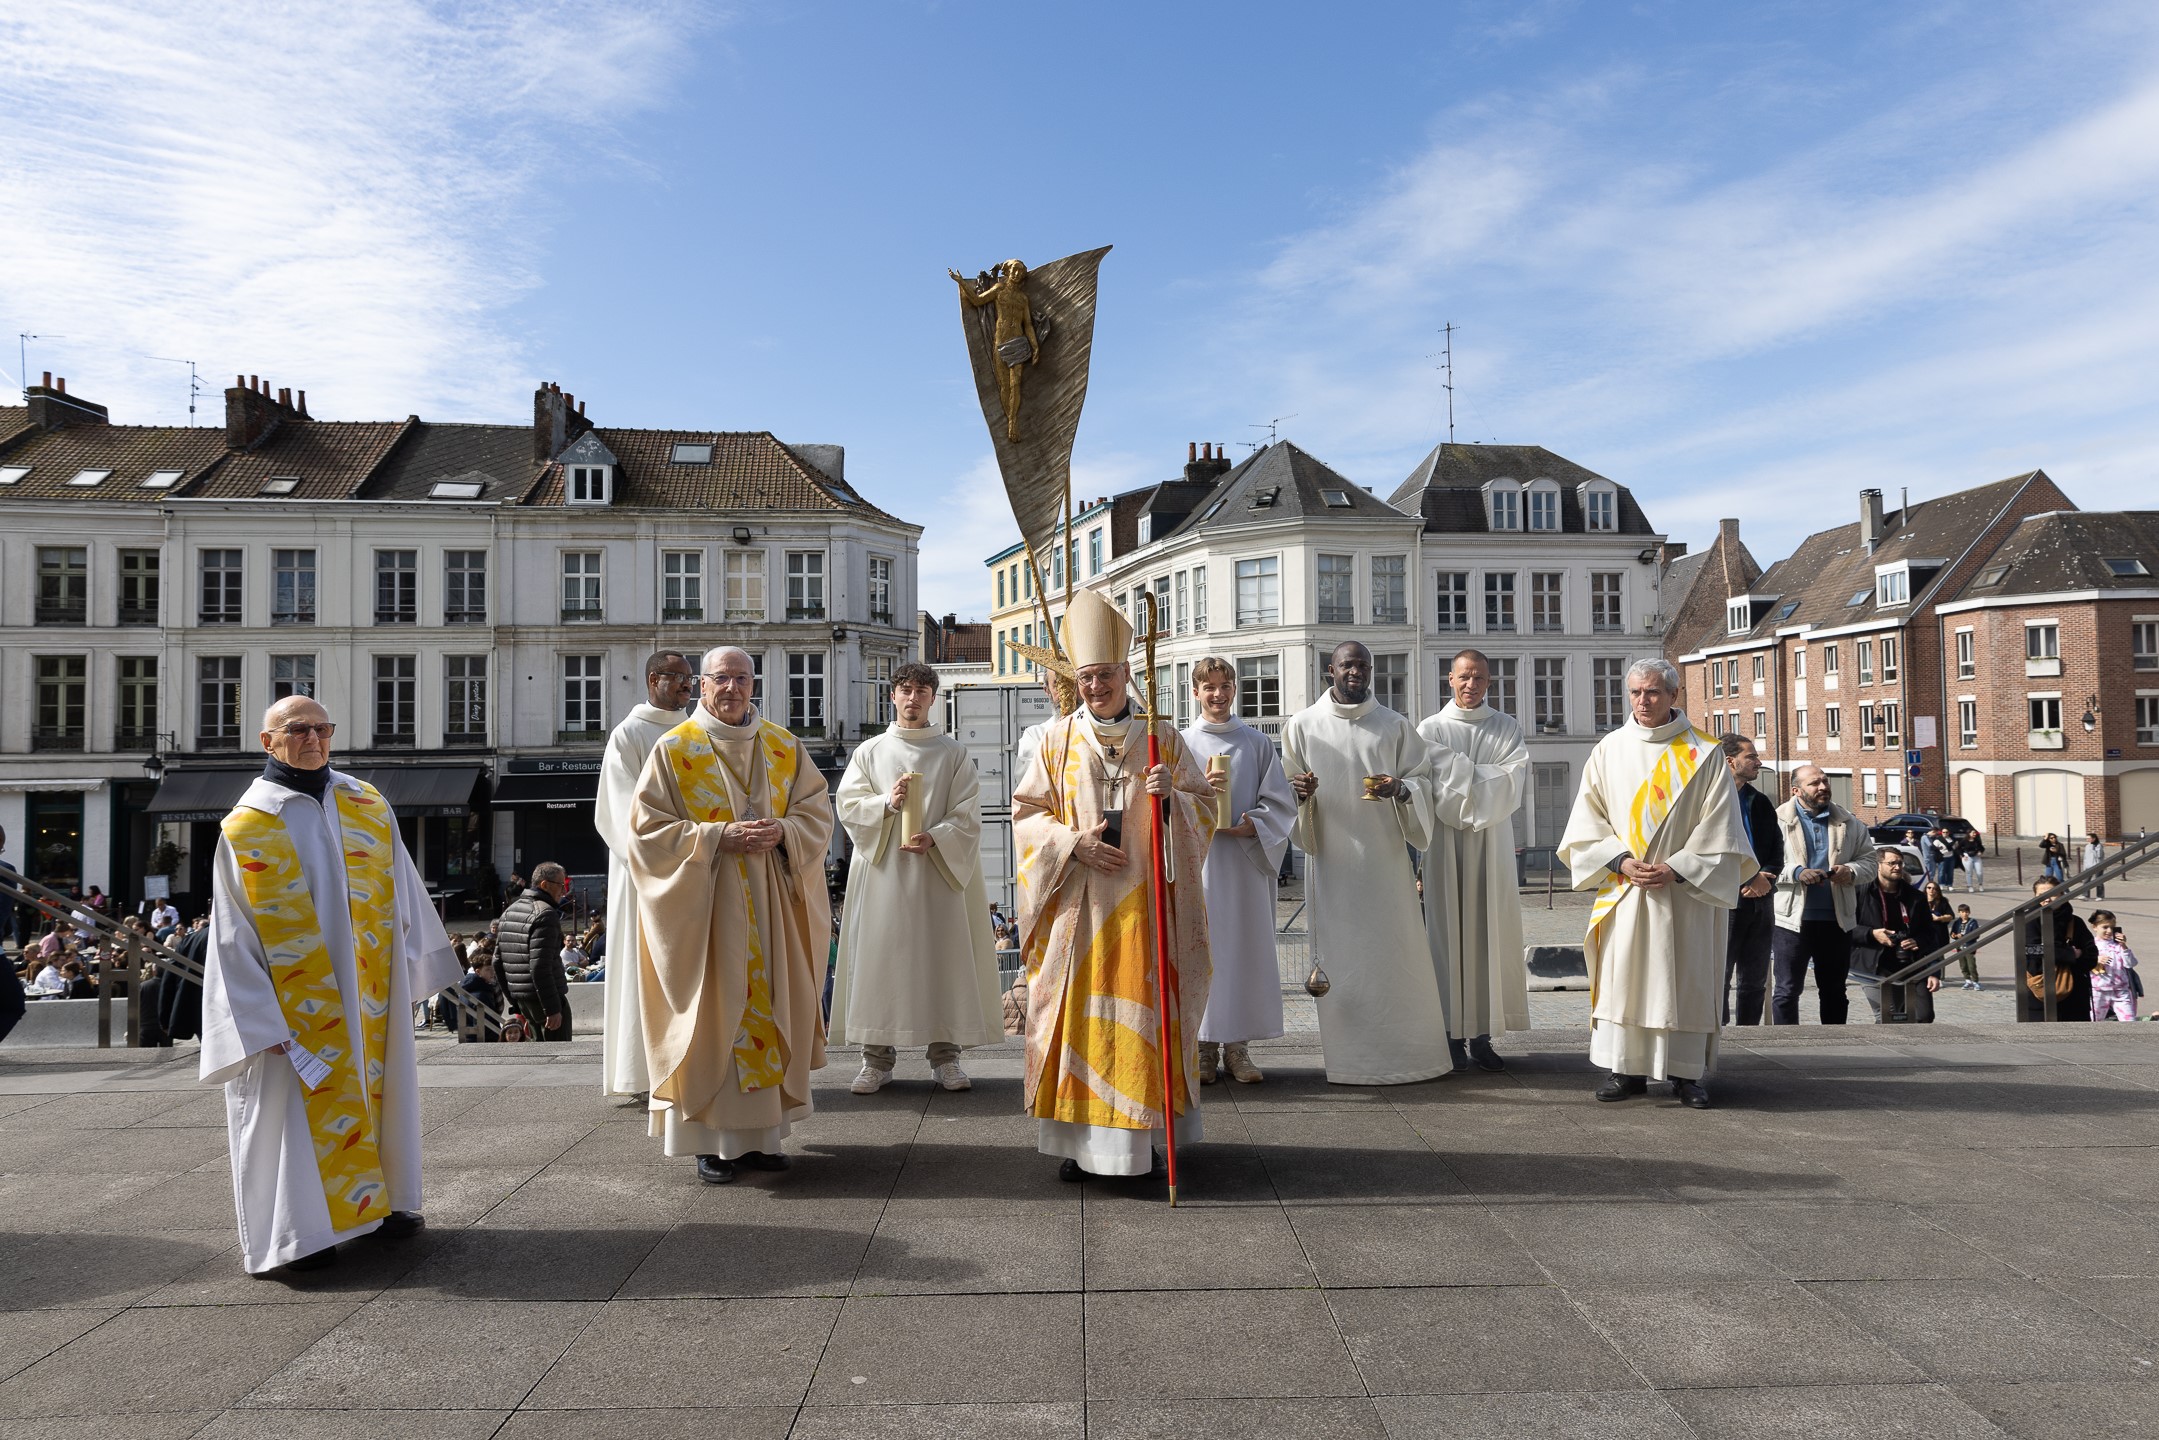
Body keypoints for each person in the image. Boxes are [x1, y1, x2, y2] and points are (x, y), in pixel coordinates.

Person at [198, 694, 458, 1274]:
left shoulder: (366, 803)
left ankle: (385, 1204)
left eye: (322, 728)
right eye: (298, 730)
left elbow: (404, 890)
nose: (313, 739)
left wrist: (413, 968)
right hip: (293, 1008)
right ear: (268, 742)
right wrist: (255, 1014)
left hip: (369, 993)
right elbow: (231, 930)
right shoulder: (249, 826)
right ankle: (301, 1236)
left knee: (380, 1095)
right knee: (289, 1113)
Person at [1012, 589, 1216, 1179]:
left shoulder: (1165, 739)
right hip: (1079, 909)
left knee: (1142, 1020)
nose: (1094, 687)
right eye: (1085, 677)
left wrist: (1172, 796)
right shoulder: (1054, 742)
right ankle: (1078, 1147)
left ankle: (1142, 1143)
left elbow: (1206, 810)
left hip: (1144, 908)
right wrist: (1071, 843)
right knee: (1079, 1020)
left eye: (1104, 675)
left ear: (1127, 673)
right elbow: (1027, 816)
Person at [626, 645, 833, 1185]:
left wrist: (783, 832)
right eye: (722, 678)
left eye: (742, 678)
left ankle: (761, 1138)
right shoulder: (675, 750)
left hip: (769, 907)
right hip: (709, 909)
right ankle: (710, 1143)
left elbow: (816, 811)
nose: (733, 688)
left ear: (753, 683)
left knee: (764, 1005)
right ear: (702, 685)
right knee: (717, 1012)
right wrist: (717, 837)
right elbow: (645, 832)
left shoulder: (784, 747)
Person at [1559, 658, 1750, 1109]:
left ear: (1674, 696)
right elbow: (1588, 820)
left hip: (1685, 892)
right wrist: (1621, 861)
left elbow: (1721, 825)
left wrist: (1679, 866)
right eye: (1636, 693)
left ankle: (1687, 1076)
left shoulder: (1703, 753)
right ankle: (1625, 1070)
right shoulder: (1609, 749)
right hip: (1626, 889)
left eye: (1653, 692)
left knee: (1686, 980)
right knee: (1626, 979)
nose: (1643, 701)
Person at [1284, 640, 1452, 1086]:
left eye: (1363, 665)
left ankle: (1410, 1057)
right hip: (1333, 863)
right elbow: (1282, 788)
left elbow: (1422, 782)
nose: (1355, 672)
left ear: (1371, 671)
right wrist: (1298, 792)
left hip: (1386, 864)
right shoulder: (1303, 726)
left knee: (1395, 957)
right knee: (1342, 965)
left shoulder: (1395, 726)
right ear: (1330, 671)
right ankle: (1348, 1062)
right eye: (1346, 665)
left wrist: (1401, 790)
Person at [830, 662, 1003, 1092]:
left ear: (932, 698)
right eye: (905, 690)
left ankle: (945, 1057)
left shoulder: (953, 753)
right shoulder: (869, 752)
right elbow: (848, 805)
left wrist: (938, 837)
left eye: (922, 691)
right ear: (893, 696)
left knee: (941, 958)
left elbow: (968, 812)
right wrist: (887, 804)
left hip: (936, 872)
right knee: (879, 959)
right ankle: (876, 1060)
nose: (913, 699)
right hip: (885, 870)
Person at [1414, 650, 1531, 1071]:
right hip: (1443, 844)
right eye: (1464, 677)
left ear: (1489, 682)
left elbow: (1512, 782)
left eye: (1479, 678)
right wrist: (1479, 777)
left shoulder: (1506, 728)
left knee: (1487, 935)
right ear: (1450, 679)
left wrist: (1457, 773)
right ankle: (1448, 1036)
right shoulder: (1429, 729)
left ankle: (1482, 1036)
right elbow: (1423, 785)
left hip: (1491, 842)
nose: (1471, 685)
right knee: (1445, 937)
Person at [1182, 655, 1296, 1085]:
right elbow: (1167, 802)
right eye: (1208, 687)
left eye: (1224, 686)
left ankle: (1239, 1049)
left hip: (1246, 864)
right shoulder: (1183, 742)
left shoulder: (1256, 743)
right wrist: (1199, 800)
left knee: (1243, 952)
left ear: (1234, 690)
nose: (1217, 694)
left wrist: (1253, 824)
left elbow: (1280, 803)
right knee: (1206, 951)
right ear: (1195, 692)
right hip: (1204, 865)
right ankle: (1204, 1049)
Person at [594, 651, 693, 1099]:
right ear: (654, 679)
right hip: (646, 872)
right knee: (644, 964)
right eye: (678, 678)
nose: (687, 686)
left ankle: (693, 1061)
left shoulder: (698, 731)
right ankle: (642, 1071)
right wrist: (669, 847)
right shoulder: (628, 734)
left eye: (692, 679)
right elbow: (622, 808)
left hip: (696, 864)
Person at [1768, 765, 1876, 1025]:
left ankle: (1834, 1046)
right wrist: (1796, 873)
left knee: (1835, 991)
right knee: (1786, 991)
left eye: (1825, 782)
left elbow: (1870, 861)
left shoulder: (1848, 821)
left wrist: (1850, 871)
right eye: (1814, 783)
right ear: (1796, 790)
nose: (1823, 787)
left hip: (1837, 920)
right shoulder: (1776, 820)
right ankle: (1787, 1048)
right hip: (1791, 920)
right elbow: (1760, 864)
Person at [1717, 734, 1783, 1026]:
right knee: (1719, 976)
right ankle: (1718, 1033)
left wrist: (1765, 876)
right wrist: (1746, 879)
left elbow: (1775, 846)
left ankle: (1750, 1033)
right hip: (1725, 900)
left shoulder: (1760, 801)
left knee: (1755, 978)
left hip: (1761, 899)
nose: (1758, 762)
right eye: (1751, 757)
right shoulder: (1711, 799)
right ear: (1730, 762)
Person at [1848, 847, 1947, 1023]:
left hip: (1909, 962)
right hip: (1871, 963)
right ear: (1878, 865)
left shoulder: (1916, 897)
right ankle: (1889, 1048)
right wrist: (1872, 934)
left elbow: (1931, 934)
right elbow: (1846, 927)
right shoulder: (1861, 893)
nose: (1897, 867)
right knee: (1889, 1014)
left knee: (1922, 1016)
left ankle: (1907, 1047)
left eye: (1900, 863)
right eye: (1892, 863)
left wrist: (1918, 943)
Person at [497, 865, 574, 1042]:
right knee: (559, 1058)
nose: (564, 891)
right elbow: (540, 967)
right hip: (547, 1000)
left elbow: (497, 962)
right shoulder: (545, 914)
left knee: (539, 1055)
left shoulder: (510, 911)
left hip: (525, 1001)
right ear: (545, 884)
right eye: (561, 885)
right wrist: (552, 1009)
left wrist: (515, 1001)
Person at [2019, 879, 2097, 1021]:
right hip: (2040, 995)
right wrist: (2071, 954)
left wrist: (2052, 952)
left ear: (2062, 895)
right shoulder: (2029, 921)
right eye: (2041, 895)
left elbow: (2091, 956)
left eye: (2053, 894)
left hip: (2075, 997)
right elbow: (2032, 953)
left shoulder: (2075, 922)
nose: (2047, 899)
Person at [2087, 911, 2139, 1022]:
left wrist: (2124, 946)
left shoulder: (2118, 945)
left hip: (2121, 990)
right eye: (2105, 927)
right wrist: (2096, 960)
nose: (2109, 931)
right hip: (2098, 990)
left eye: (2112, 927)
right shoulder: (2091, 944)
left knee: (2130, 1022)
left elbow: (2130, 963)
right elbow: (2082, 963)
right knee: (2094, 1021)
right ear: (2094, 927)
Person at [1949, 904, 1982, 989]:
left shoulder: (1973, 922)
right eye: (1962, 912)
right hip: (1960, 947)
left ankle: (1975, 981)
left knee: (1971, 965)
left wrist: (1963, 936)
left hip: (1970, 947)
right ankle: (1967, 980)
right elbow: (1953, 933)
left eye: (1967, 912)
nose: (1965, 914)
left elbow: (1976, 934)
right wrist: (1954, 935)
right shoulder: (1957, 922)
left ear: (1969, 912)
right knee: (1963, 965)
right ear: (1959, 913)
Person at [1959, 827, 1986, 893]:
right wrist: (1962, 856)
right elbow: (1958, 849)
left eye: (1975, 833)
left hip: (1976, 857)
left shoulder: (1977, 840)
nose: (1974, 834)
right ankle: (1970, 885)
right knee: (1969, 872)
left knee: (1979, 872)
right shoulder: (1964, 841)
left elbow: (1982, 848)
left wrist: (1980, 852)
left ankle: (1980, 884)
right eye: (1973, 833)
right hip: (1967, 857)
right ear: (1969, 833)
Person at [2081, 832, 2107, 899]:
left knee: (2098, 881)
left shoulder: (2098, 845)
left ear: (2094, 838)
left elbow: (2099, 855)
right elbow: (2085, 857)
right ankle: (2085, 895)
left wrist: (2093, 849)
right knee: (2086, 880)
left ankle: (2100, 895)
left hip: (2097, 865)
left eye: (2089, 838)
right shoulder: (2087, 846)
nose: (2088, 840)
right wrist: (2085, 866)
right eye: (2087, 838)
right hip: (2089, 865)